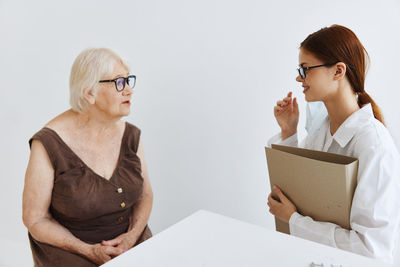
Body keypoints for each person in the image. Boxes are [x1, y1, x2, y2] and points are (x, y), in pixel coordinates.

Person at [266, 25, 400, 263]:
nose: (299, 77)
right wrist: (288, 130)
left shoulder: (373, 144)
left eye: (305, 69)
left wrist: (294, 220)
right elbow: (301, 193)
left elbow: (371, 250)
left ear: (338, 71)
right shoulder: (321, 130)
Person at [22, 48, 153, 266]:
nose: (129, 90)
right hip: (71, 250)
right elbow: (35, 219)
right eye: (119, 82)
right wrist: (88, 251)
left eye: (129, 81)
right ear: (89, 92)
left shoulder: (130, 135)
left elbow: (145, 195)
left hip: (128, 244)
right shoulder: (47, 143)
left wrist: (131, 238)